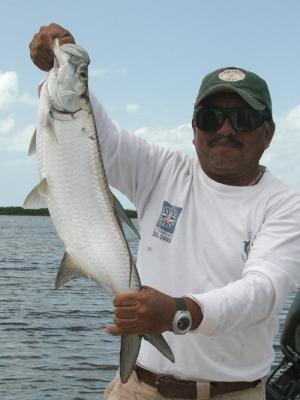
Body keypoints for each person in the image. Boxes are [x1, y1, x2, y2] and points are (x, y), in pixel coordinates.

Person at [29, 23, 300, 400]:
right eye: (210, 118)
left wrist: (178, 312)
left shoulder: (287, 205)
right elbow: (93, 133)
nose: (225, 129)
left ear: (268, 133)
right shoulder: (161, 170)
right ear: (193, 129)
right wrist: (63, 66)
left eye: (244, 119)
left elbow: (263, 292)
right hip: (138, 388)